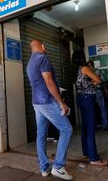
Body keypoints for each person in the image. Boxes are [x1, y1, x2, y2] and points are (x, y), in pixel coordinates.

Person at [26, 40, 73, 180]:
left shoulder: (29, 63)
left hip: (36, 102)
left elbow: (39, 82)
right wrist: (61, 102)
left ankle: (44, 168)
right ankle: (58, 166)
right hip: (47, 101)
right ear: (43, 46)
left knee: (41, 134)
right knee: (67, 129)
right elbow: (49, 81)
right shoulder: (43, 57)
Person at [73, 52, 108, 166]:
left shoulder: (75, 70)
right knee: (91, 127)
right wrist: (94, 81)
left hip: (80, 98)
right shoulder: (85, 68)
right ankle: (94, 158)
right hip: (88, 99)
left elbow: (82, 83)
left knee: (85, 126)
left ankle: (86, 152)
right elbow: (98, 80)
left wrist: (90, 81)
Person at [87, 60, 108, 130]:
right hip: (97, 92)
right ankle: (105, 126)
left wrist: (105, 90)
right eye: (89, 66)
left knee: (93, 110)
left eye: (90, 66)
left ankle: (94, 126)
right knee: (102, 109)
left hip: (92, 92)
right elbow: (102, 81)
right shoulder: (97, 71)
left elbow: (102, 82)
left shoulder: (87, 72)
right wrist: (105, 90)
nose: (90, 67)